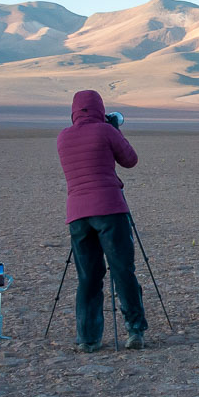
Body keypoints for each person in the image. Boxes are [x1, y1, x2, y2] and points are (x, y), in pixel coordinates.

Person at [56, 90, 148, 352]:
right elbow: (130, 160)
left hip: (77, 214)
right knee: (122, 270)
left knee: (88, 276)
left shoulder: (63, 137)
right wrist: (115, 130)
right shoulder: (105, 131)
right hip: (109, 208)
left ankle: (88, 338)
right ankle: (134, 330)